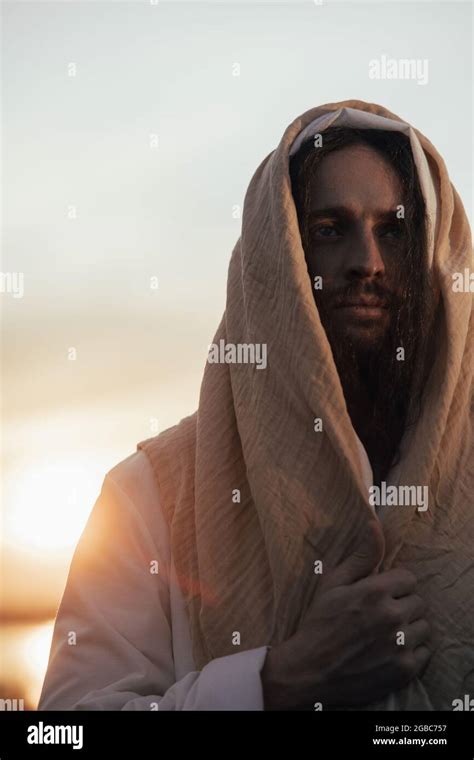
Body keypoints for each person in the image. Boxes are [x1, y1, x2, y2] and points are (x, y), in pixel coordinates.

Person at [38, 99, 473, 711]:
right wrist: (277, 683)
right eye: (330, 231)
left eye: (394, 230)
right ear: (280, 260)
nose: (367, 264)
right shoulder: (152, 495)